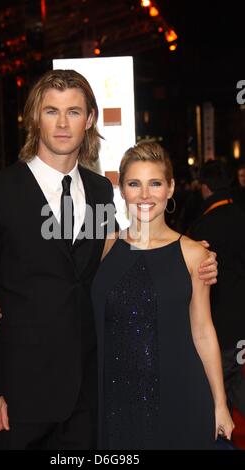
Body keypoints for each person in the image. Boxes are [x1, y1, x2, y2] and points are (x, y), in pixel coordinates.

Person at [0, 70, 218, 451]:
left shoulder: (99, 192)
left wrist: (196, 255)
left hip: (93, 394)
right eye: (51, 111)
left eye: (74, 112)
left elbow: (129, 250)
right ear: (35, 118)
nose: (63, 123)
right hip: (18, 396)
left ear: (90, 119)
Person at [91, 142, 234, 450]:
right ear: (122, 189)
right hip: (114, 398)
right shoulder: (103, 248)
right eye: (134, 184)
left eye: (155, 183)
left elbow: (203, 331)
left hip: (180, 394)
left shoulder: (195, 254)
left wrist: (220, 402)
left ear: (170, 188)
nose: (144, 195)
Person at [190, 160, 245, 419]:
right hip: (240, 322)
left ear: (204, 187)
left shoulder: (203, 228)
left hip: (220, 325)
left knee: (219, 388)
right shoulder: (241, 214)